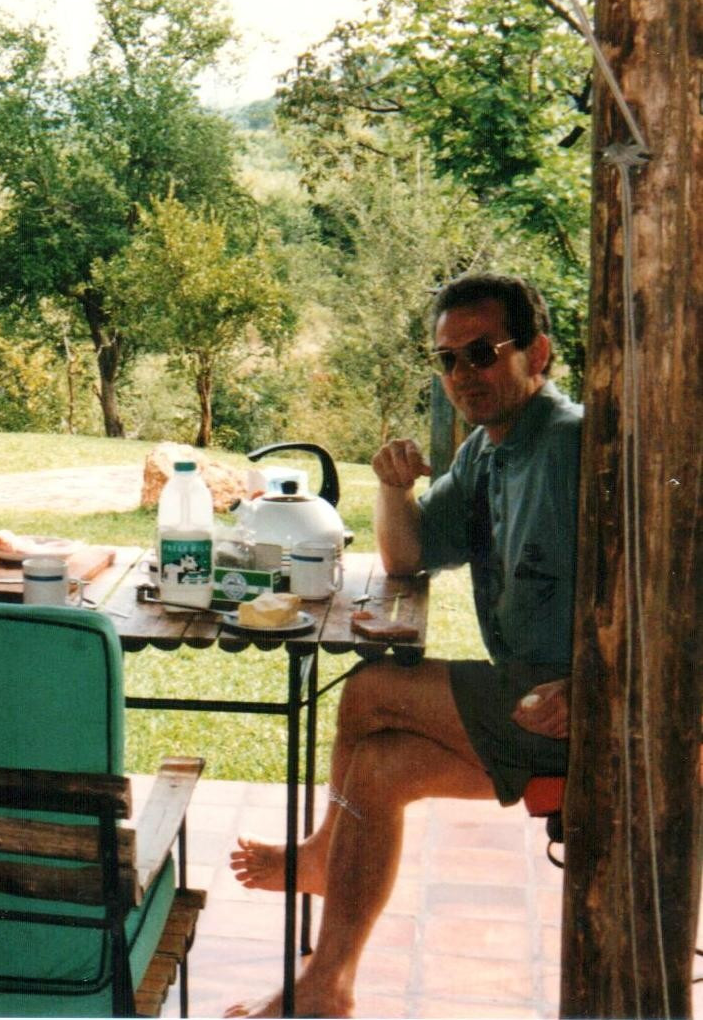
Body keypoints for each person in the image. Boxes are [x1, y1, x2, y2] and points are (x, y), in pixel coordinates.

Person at [226, 272, 580, 1018]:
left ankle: (323, 853)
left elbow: (674, 588)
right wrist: (391, 489)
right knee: (380, 771)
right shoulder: (488, 450)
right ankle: (329, 988)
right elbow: (404, 559)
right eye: (447, 359)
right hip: (526, 701)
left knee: (372, 688)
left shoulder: (573, 446)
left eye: (481, 352)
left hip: (579, 713)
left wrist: (597, 692)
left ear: (537, 353)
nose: (462, 375)